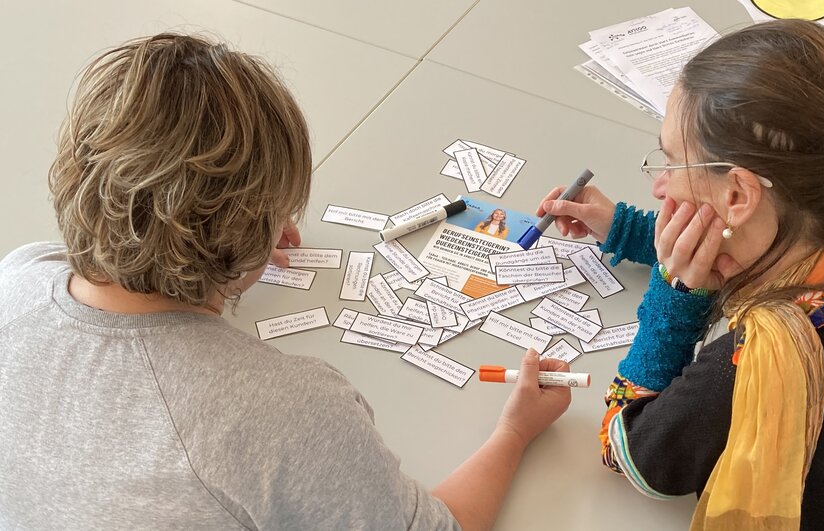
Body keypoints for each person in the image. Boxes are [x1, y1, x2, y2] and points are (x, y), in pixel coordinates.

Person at [0, 33, 570, 530]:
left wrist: (229, 240)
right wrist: (514, 432)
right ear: (249, 223)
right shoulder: (291, 413)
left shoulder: (19, 277)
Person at [537, 20, 824, 530]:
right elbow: (769, 234)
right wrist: (629, 229)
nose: (661, 187)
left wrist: (677, 293)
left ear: (738, 196)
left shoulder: (766, 359)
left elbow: (635, 455)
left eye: (672, 162)